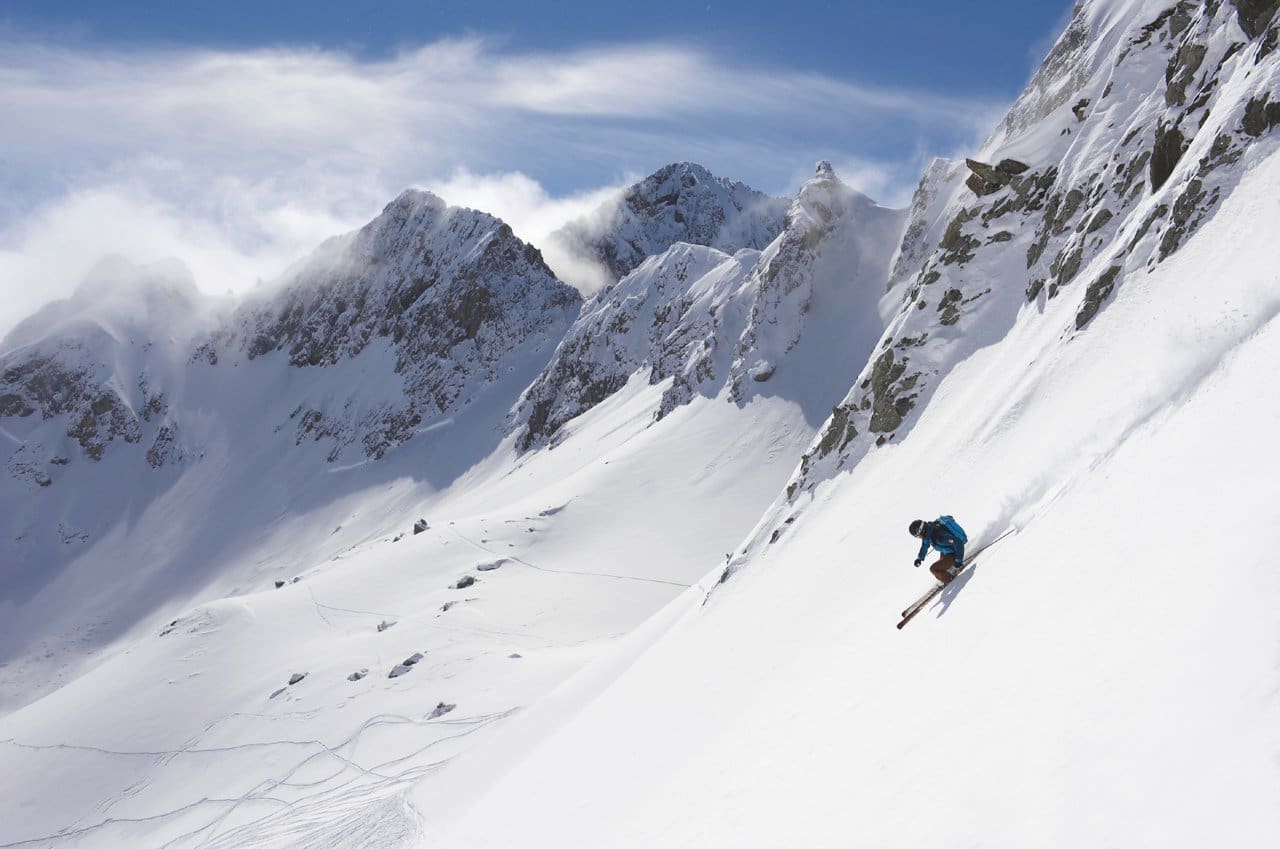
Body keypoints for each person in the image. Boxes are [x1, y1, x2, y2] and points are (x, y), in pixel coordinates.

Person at [909, 516, 967, 585]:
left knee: (934, 569)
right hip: (948, 551)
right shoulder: (929, 531)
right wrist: (919, 558)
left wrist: (958, 561)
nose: (919, 538)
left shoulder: (939, 537)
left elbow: (958, 542)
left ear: (921, 531)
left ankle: (949, 579)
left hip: (954, 553)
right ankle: (950, 570)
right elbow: (925, 545)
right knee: (940, 562)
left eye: (918, 536)